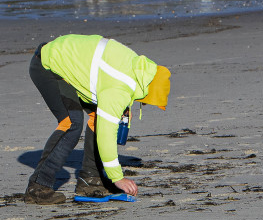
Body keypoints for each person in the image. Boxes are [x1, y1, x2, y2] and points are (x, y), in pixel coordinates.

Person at [25, 35, 170, 205]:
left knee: (97, 118)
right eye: (148, 102)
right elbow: (106, 134)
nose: (144, 105)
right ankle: (38, 187)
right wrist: (117, 178)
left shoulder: (138, 68)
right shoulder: (119, 90)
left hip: (70, 66)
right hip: (47, 65)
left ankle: (90, 181)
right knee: (71, 123)